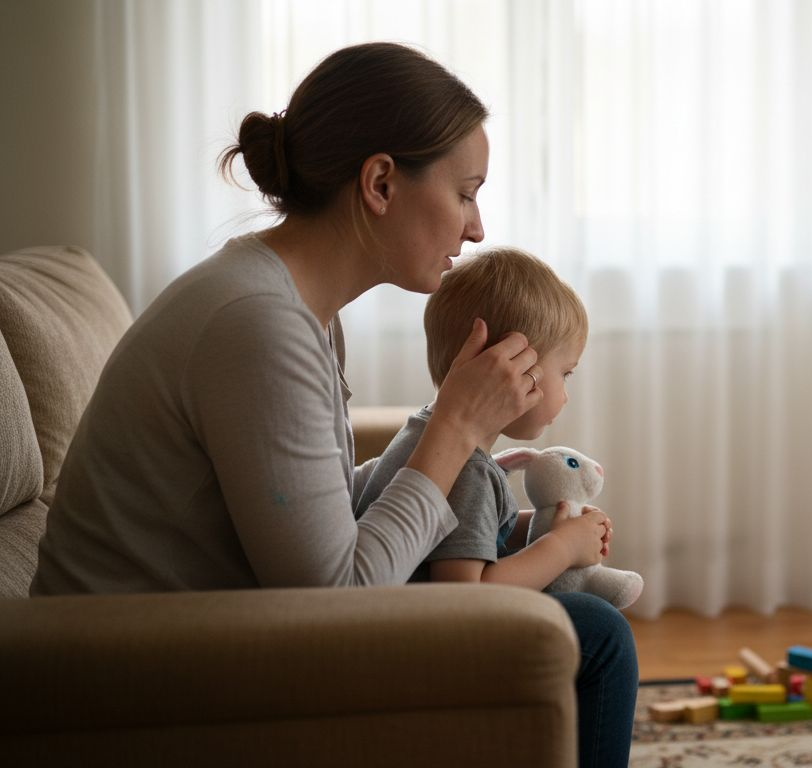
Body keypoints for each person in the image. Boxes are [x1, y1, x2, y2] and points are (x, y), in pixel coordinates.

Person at [29, 42, 636, 767]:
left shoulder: (296, 310)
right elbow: (340, 597)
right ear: (381, 181)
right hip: (139, 669)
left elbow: (315, 518)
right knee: (594, 637)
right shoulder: (259, 323)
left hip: (204, 627)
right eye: (466, 192)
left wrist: (452, 461)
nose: (476, 228)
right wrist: (452, 428)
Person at [353, 246, 637, 767]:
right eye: (565, 374)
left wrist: (533, 524)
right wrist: (560, 547)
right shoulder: (470, 469)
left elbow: (449, 542)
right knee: (605, 633)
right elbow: (466, 598)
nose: (566, 395)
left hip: (391, 628)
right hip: (419, 649)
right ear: (515, 368)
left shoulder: (426, 431)